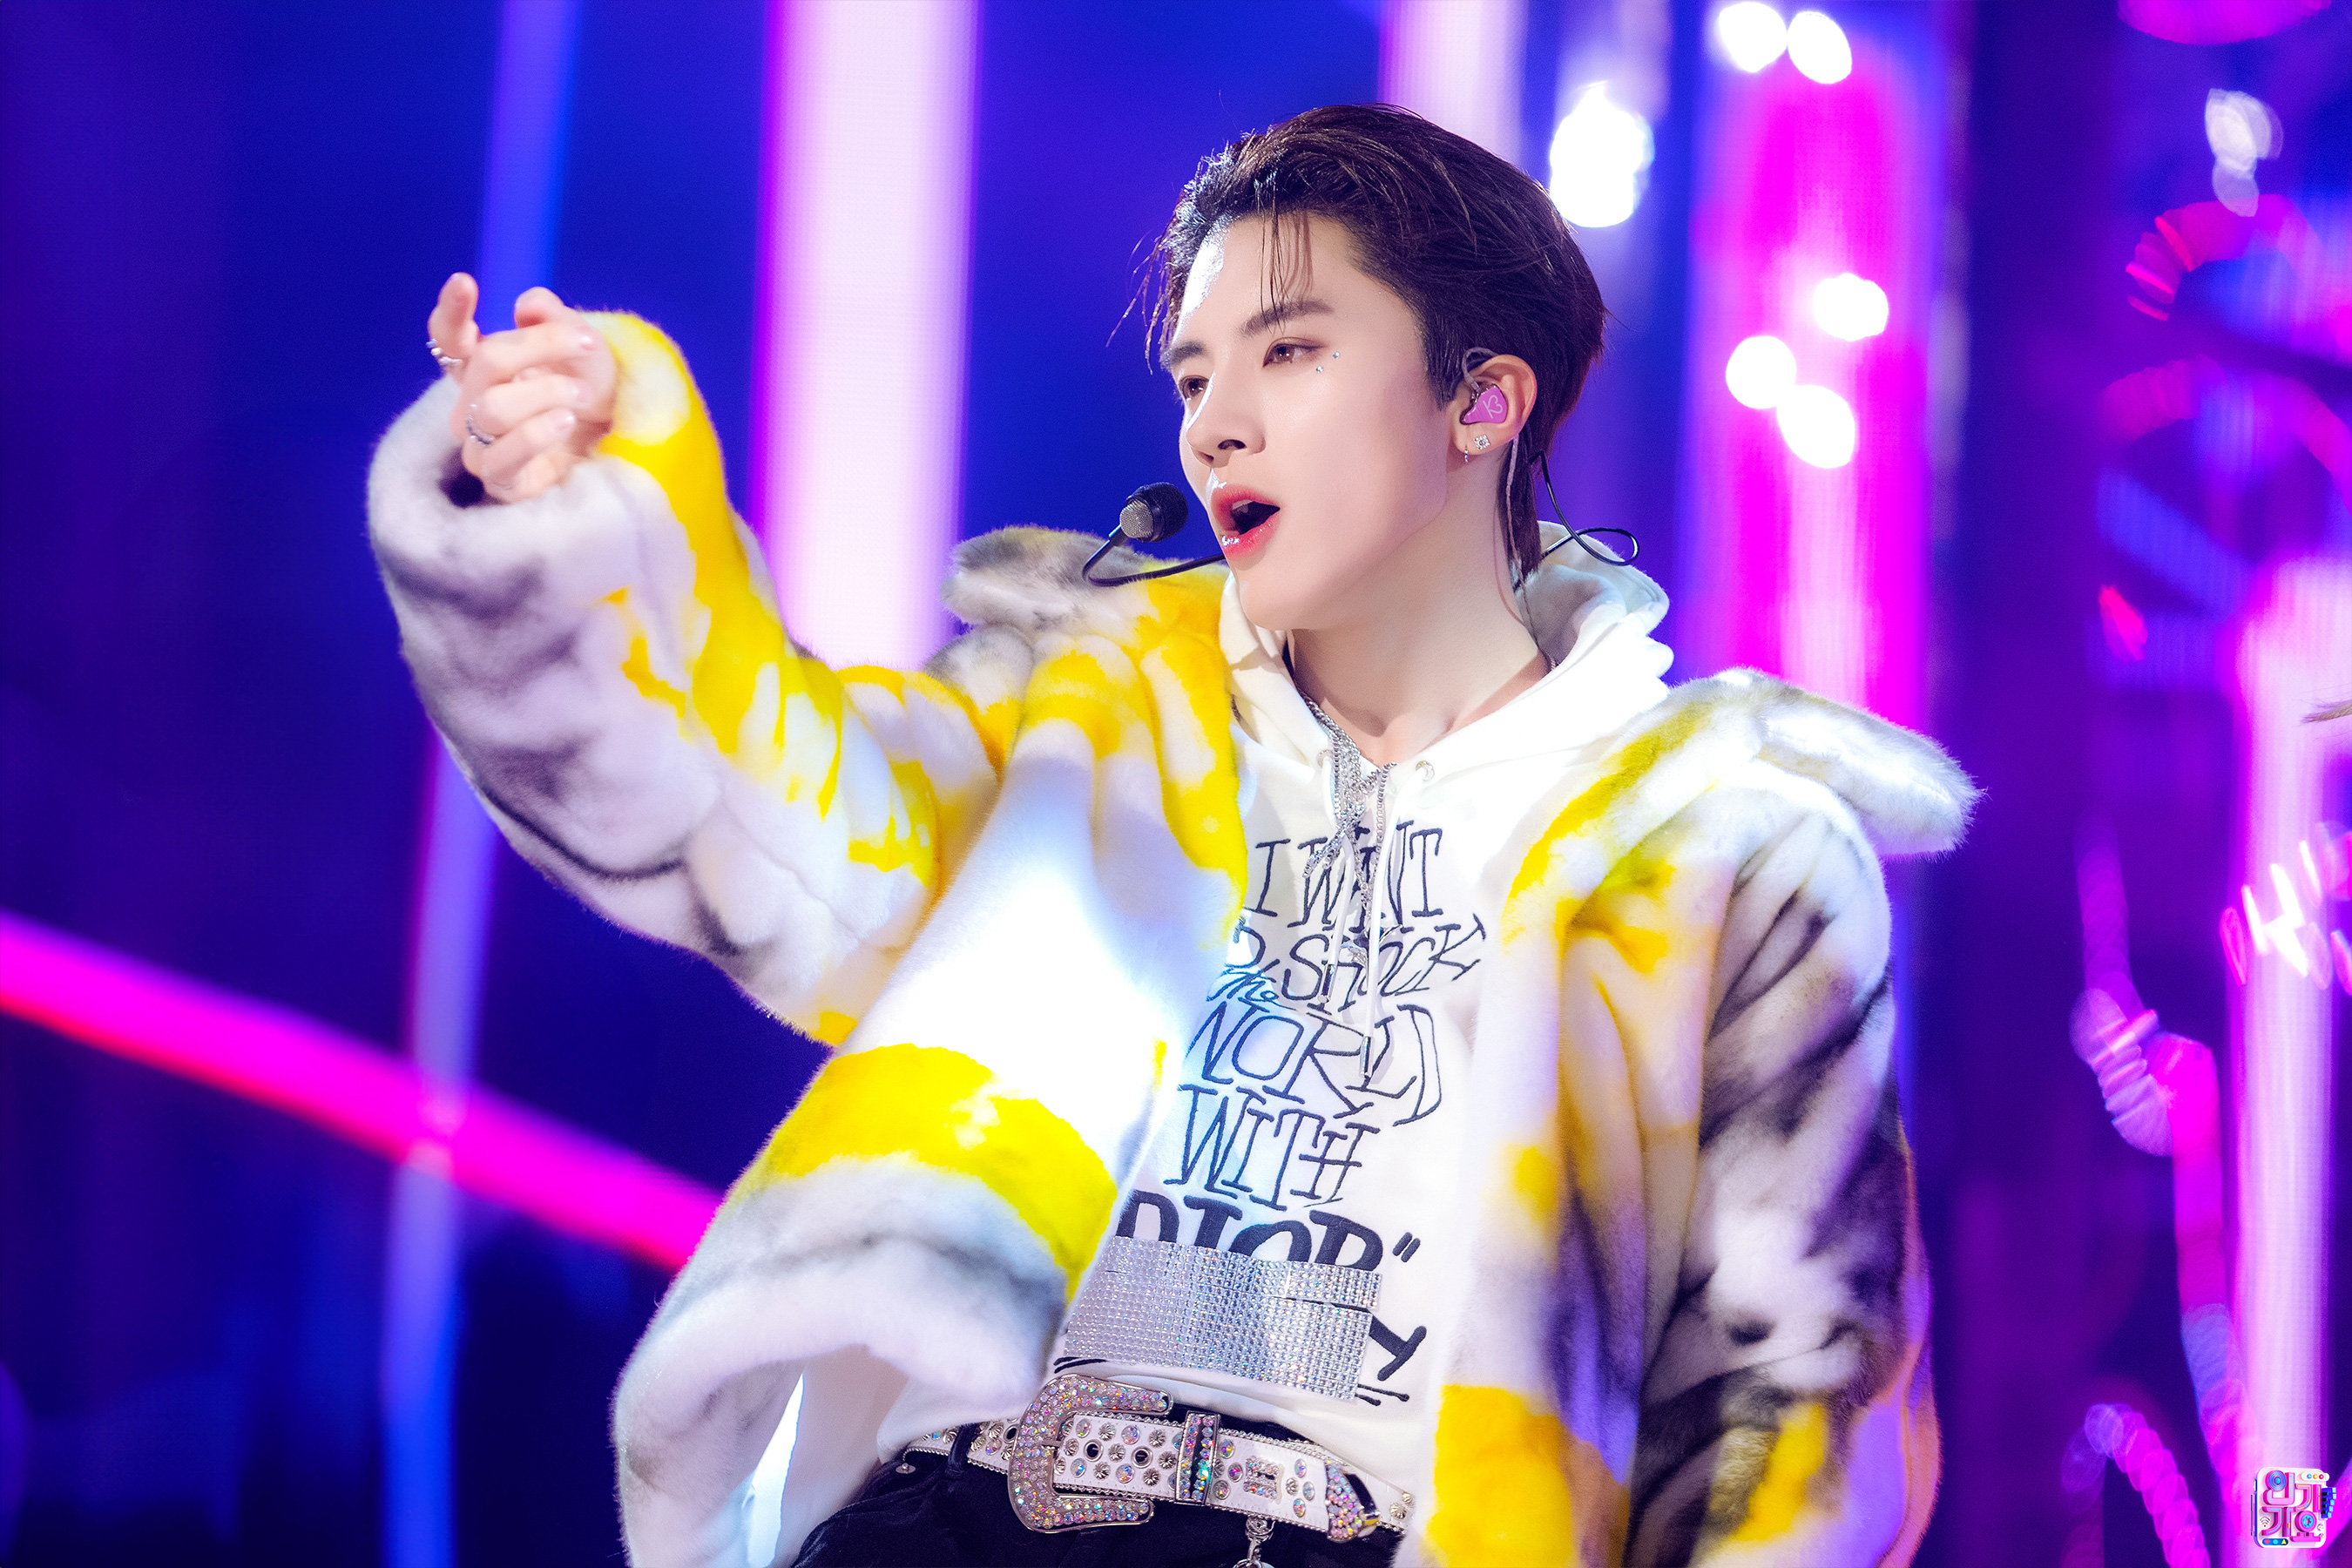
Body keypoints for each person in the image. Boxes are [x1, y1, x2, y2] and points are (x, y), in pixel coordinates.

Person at [370, 104, 1970, 1568]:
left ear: (1483, 400)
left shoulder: (1716, 852)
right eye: (1198, 377)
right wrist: (584, 516)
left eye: (1291, 352)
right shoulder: (1096, 718)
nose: (1217, 427)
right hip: (963, 1514)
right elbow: (753, 810)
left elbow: (1792, 1407)